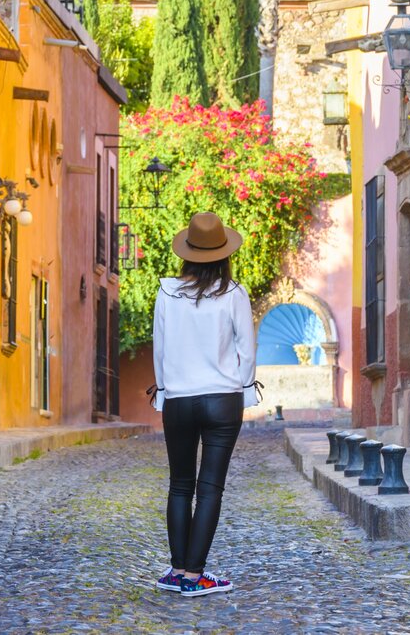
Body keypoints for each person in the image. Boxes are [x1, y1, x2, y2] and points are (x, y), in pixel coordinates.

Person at [150, 211, 255, 598]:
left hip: (178, 399)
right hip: (223, 400)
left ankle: (178, 570)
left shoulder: (167, 293)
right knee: (210, 488)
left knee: (179, 484)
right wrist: (245, 390)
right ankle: (194, 576)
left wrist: (164, 392)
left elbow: (160, 349)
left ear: (187, 253)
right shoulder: (234, 293)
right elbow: (246, 349)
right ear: (224, 254)